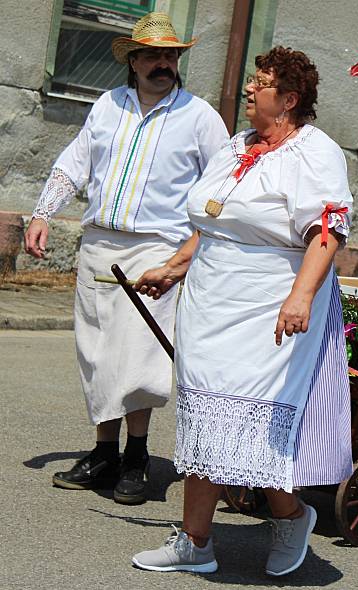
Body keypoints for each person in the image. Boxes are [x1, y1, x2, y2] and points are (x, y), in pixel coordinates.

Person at [130, 46, 353, 577]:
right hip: (211, 299)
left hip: (269, 301)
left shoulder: (314, 151)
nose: (250, 89)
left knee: (255, 420)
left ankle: (290, 515)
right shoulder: (237, 146)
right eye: (251, 79)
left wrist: (300, 297)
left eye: (262, 82)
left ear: (290, 99)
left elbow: (327, 229)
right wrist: (175, 266)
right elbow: (212, 222)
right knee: (206, 417)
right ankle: (197, 542)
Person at [23, 12, 229, 505]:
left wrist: (202, 247)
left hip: (158, 248)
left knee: (138, 355)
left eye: (171, 56)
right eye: (154, 55)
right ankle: (103, 454)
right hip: (99, 243)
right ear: (133, 61)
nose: (164, 63)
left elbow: (223, 185)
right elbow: (75, 162)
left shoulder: (200, 117)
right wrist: (42, 213)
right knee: (96, 351)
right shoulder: (108, 106)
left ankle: (137, 457)